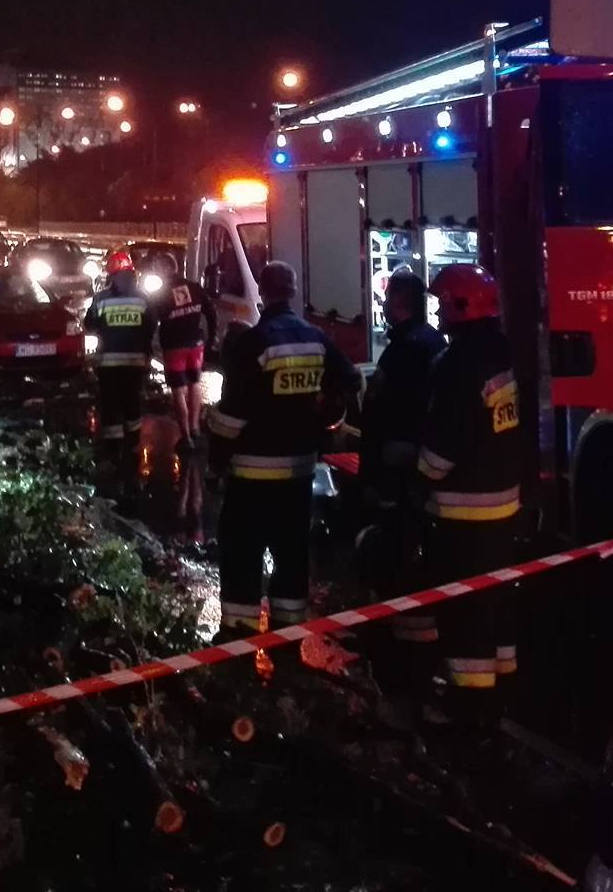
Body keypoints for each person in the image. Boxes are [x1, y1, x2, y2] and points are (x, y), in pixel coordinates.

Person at [207, 260, 358, 635]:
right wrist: (322, 410)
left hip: (252, 475)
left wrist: (215, 464)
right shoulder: (316, 338)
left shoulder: (254, 342)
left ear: (262, 290)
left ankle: (239, 631)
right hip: (300, 472)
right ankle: (289, 630)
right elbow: (352, 379)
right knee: (292, 552)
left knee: (243, 550)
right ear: (292, 292)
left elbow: (232, 416)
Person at [417, 264, 525, 722]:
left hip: (462, 511)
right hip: (503, 502)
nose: (439, 311)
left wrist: (419, 478)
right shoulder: (501, 355)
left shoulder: (455, 365)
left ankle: (469, 706)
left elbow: (444, 443)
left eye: (443, 303)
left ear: (461, 306)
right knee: (496, 601)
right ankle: (502, 687)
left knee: (464, 609)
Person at [357, 268, 447, 677]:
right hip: (426, 464)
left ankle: (396, 646)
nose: (384, 305)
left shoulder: (401, 350)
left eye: (388, 298)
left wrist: (370, 474)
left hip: (396, 466)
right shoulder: (435, 343)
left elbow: (378, 414)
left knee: (395, 546)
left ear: (399, 302)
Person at [146, 250, 217, 542]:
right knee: (195, 384)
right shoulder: (195, 288)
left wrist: (150, 346)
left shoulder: (161, 295)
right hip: (195, 344)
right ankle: (196, 427)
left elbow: (152, 323)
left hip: (174, 346)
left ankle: (186, 435)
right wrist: (210, 339)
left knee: (178, 389)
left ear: (163, 270)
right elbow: (210, 313)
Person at [84, 248, 156, 456]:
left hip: (108, 363)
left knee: (111, 402)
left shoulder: (101, 299)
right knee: (132, 400)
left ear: (111, 275)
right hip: (135, 362)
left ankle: (113, 448)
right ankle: (133, 442)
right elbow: (151, 326)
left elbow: (89, 324)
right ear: (132, 273)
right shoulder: (143, 298)